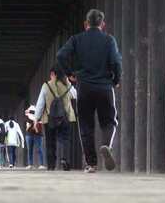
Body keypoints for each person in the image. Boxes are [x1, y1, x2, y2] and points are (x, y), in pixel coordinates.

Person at [57, 9, 122, 173]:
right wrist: (115, 80)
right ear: (103, 24)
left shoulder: (76, 39)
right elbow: (116, 62)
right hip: (104, 86)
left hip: (84, 86)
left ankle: (91, 163)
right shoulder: (109, 40)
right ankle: (106, 145)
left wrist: (70, 73)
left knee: (85, 125)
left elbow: (60, 55)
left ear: (86, 24)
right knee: (109, 121)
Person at [34, 66, 77, 171]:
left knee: (50, 142)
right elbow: (75, 95)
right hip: (66, 117)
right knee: (66, 140)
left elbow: (40, 104)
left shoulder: (46, 86)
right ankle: (65, 160)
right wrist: (68, 82)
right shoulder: (67, 85)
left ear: (53, 74)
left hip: (49, 118)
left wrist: (36, 119)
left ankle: (51, 164)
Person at [24, 105, 45, 170]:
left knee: (39, 149)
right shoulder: (27, 118)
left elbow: (39, 129)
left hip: (38, 135)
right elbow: (27, 128)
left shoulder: (39, 117)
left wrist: (29, 111)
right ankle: (30, 164)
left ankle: (41, 164)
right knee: (30, 150)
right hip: (29, 135)